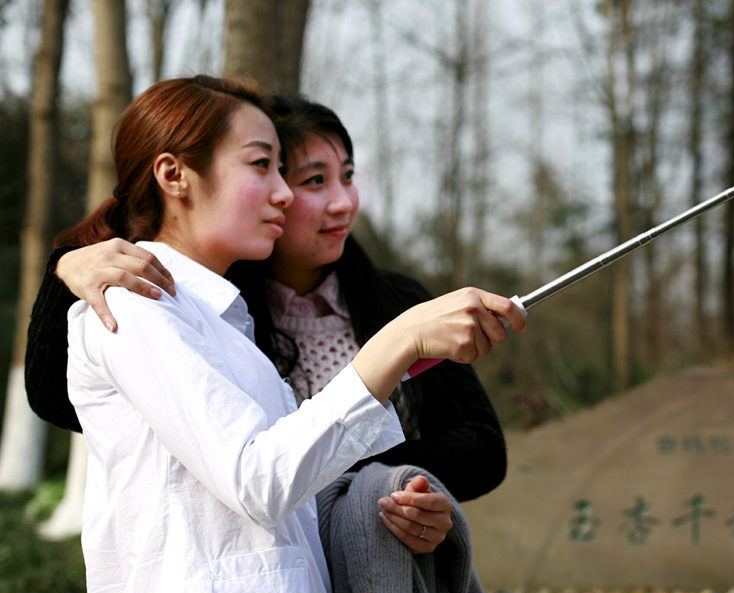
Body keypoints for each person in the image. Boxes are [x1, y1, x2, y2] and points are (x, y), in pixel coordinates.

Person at [53, 75, 525, 593]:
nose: (283, 192)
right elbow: (257, 480)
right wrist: (398, 344)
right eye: (263, 166)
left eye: (286, 170)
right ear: (173, 175)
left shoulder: (226, 324)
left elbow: (294, 497)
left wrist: (392, 503)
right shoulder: (134, 308)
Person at [26, 100, 512, 553]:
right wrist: (67, 270)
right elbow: (71, 401)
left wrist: (395, 490)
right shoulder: (214, 310)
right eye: (314, 180)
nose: (343, 202)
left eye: (347, 176)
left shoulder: (398, 302)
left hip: (378, 565)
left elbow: (481, 447)